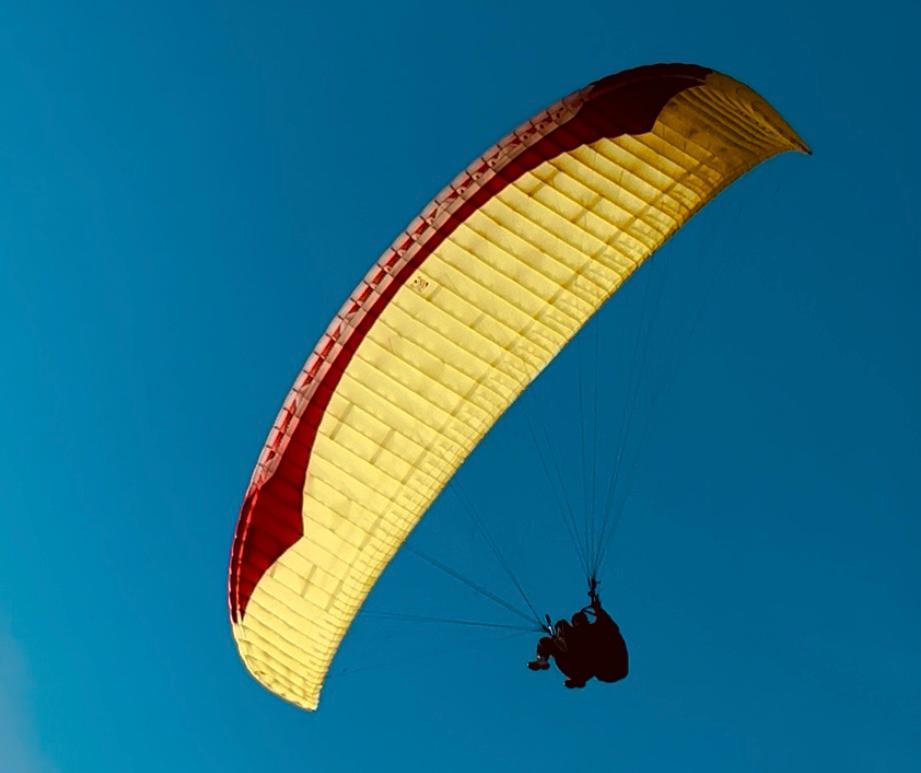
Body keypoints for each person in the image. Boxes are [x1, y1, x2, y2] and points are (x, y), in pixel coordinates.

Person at [528, 582, 628, 688]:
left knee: (587, 652)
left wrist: (597, 607)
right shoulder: (587, 632)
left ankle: (577, 679)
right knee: (545, 642)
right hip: (585, 666)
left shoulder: (598, 630)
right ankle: (542, 659)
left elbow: (606, 623)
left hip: (610, 665)